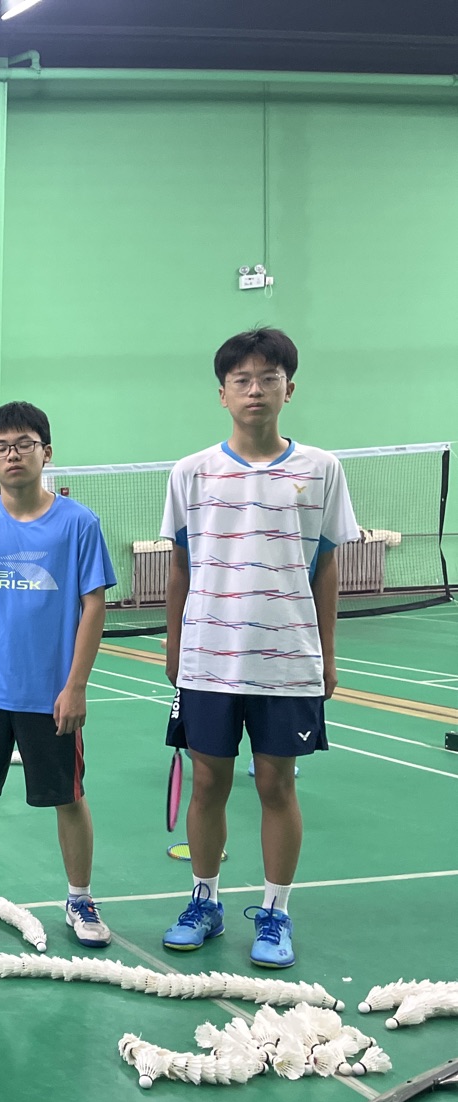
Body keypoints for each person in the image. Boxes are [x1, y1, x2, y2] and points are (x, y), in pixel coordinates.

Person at [160, 328, 357, 969]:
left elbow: (327, 568)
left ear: (288, 389)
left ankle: (275, 911)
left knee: (277, 784)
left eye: (268, 378)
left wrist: (327, 656)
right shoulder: (190, 473)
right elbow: (180, 568)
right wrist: (175, 647)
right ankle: (205, 900)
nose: (254, 390)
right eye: (241, 380)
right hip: (209, 658)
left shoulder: (322, 470)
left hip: (288, 659)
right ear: (222, 394)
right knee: (207, 783)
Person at [0, 402, 117, 950]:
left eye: (24, 444)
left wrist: (75, 687)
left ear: (46, 452)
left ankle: (80, 899)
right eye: (2, 447)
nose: (13, 454)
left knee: (68, 799)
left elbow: (94, 606)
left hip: (50, 697)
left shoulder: (78, 524)